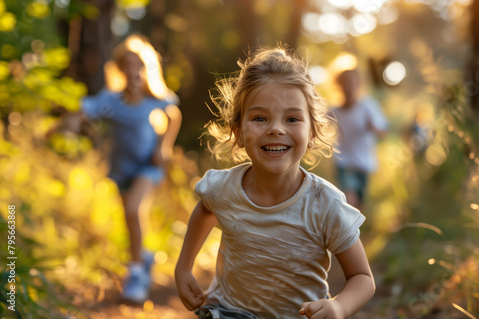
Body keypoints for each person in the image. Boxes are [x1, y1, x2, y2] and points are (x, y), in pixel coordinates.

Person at [175, 47, 375, 319]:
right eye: (260, 118)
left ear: (313, 132)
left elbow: (362, 277)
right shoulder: (223, 188)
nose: (276, 129)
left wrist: (338, 306)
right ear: (239, 132)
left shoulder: (324, 204)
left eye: (292, 119)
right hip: (228, 312)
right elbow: (206, 210)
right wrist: (184, 266)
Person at [47, 34, 182, 303]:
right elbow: (81, 114)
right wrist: (57, 128)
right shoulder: (111, 100)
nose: (134, 70)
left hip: (148, 167)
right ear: (120, 69)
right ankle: (142, 259)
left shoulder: (154, 98)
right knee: (131, 220)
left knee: (134, 209)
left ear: (147, 67)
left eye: (139, 64)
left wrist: (162, 147)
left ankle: (137, 277)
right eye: (128, 65)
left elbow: (173, 115)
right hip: (122, 170)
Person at [328, 68, 387, 210]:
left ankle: (355, 230)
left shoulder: (368, 106)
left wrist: (373, 127)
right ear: (339, 86)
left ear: (358, 84)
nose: (348, 86)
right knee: (349, 198)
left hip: (364, 162)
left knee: (358, 204)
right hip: (344, 161)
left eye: (352, 82)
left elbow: (383, 133)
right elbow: (315, 124)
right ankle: (345, 230)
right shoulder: (334, 111)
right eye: (345, 83)